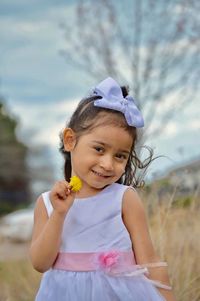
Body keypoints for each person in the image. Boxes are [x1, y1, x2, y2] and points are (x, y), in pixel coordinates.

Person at [30, 77, 176, 301]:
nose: (108, 164)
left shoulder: (124, 198)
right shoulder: (48, 203)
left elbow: (149, 260)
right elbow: (40, 264)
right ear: (70, 140)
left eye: (120, 156)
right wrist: (59, 214)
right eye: (99, 149)